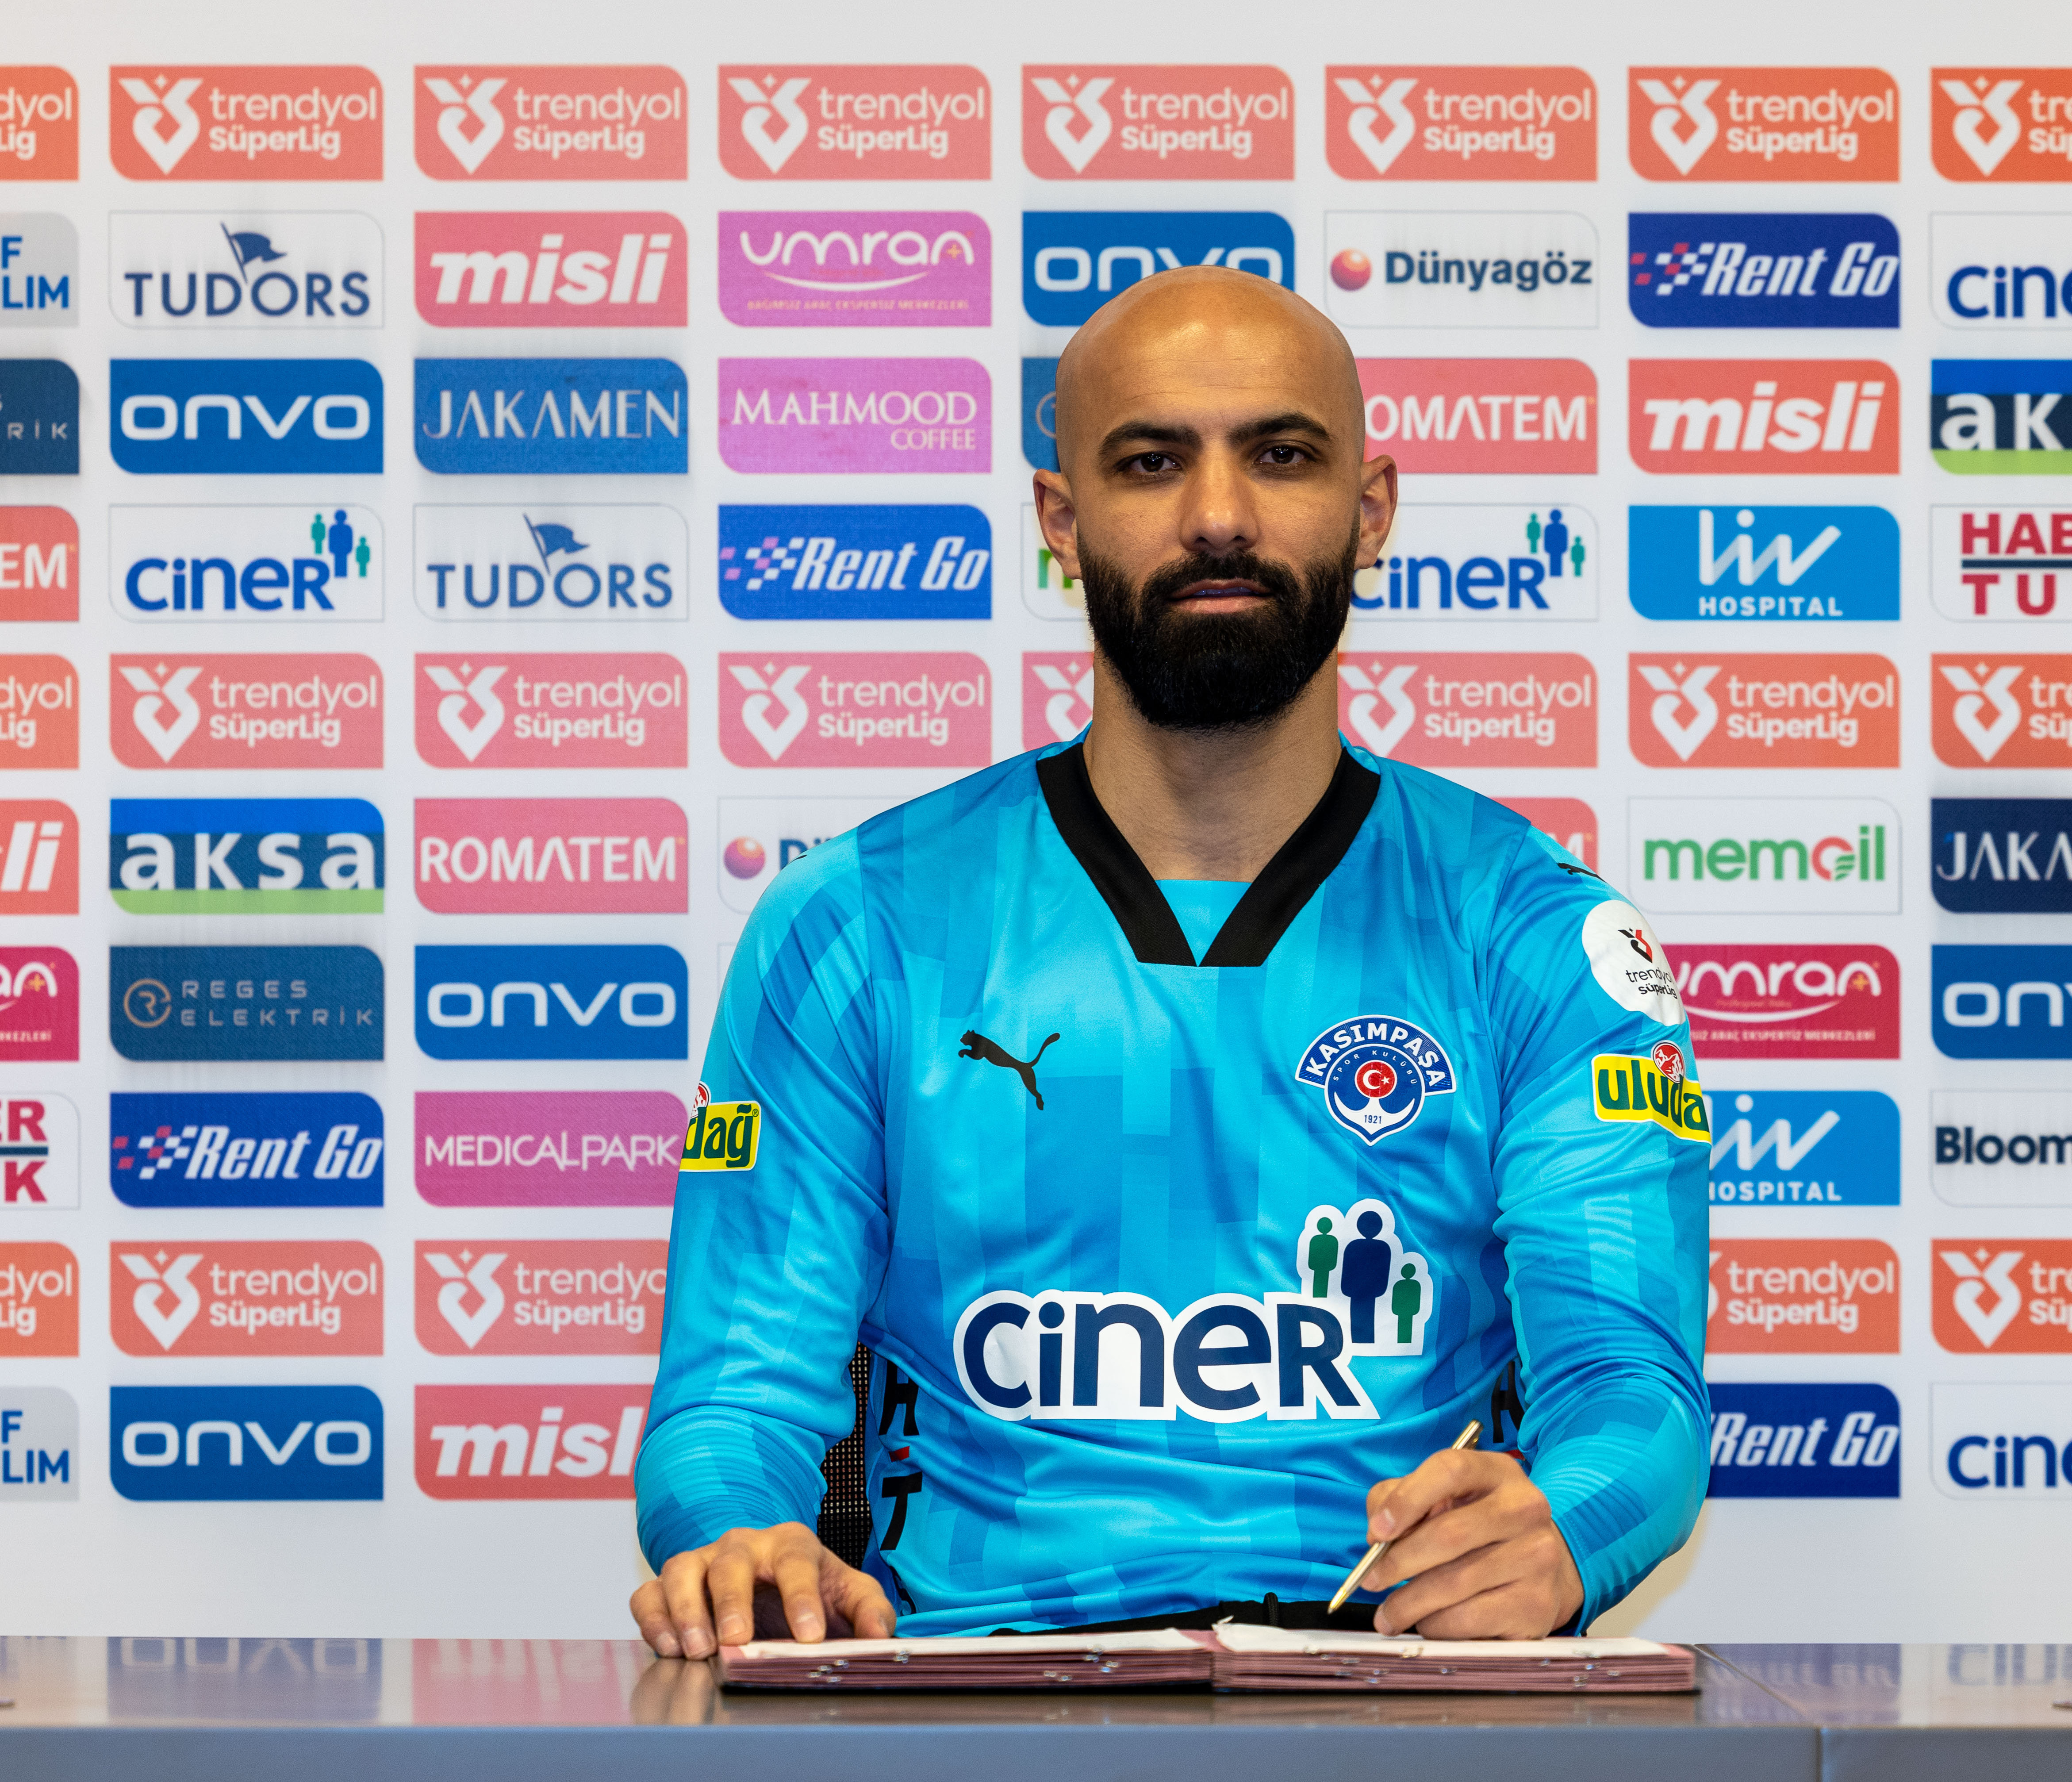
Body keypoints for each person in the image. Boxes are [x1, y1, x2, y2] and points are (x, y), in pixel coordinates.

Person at [631, 265, 1709, 1656]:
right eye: (1150, 462)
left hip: (1395, 1694)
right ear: (1061, 520)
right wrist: (740, 1537)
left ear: (1372, 509)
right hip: (971, 1693)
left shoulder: (1538, 933)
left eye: (1282, 455)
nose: (1218, 515)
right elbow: (729, 1404)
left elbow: (1632, 1395)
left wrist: (1563, 1527)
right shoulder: (854, 926)